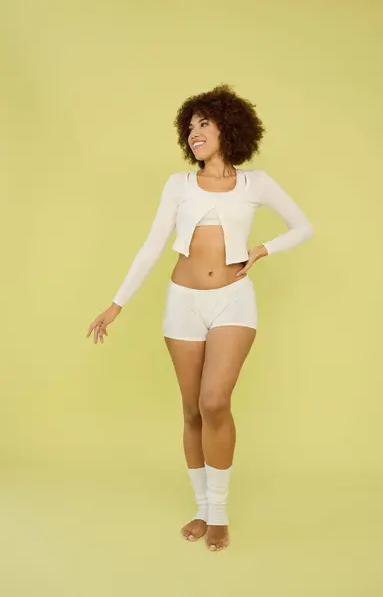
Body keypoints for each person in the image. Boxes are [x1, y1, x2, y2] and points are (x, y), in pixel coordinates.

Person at [86, 83, 314, 552]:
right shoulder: (178, 185)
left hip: (234, 299)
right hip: (182, 302)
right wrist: (116, 303)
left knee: (215, 402)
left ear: (228, 128)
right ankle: (202, 509)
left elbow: (303, 226)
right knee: (192, 411)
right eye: (190, 127)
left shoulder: (257, 183)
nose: (195, 134)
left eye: (204, 124)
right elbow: (152, 245)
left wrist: (264, 248)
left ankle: (221, 513)